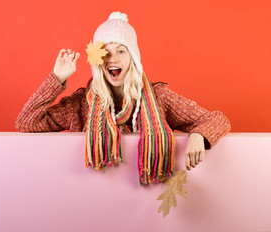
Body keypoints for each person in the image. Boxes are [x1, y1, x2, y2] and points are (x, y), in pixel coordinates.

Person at [16, 11, 231, 185]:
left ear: (133, 58)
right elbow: (27, 122)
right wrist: (57, 78)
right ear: (97, 60)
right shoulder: (80, 105)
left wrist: (198, 135)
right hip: (92, 205)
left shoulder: (159, 98)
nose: (113, 59)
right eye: (106, 52)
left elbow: (217, 119)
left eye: (121, 51)